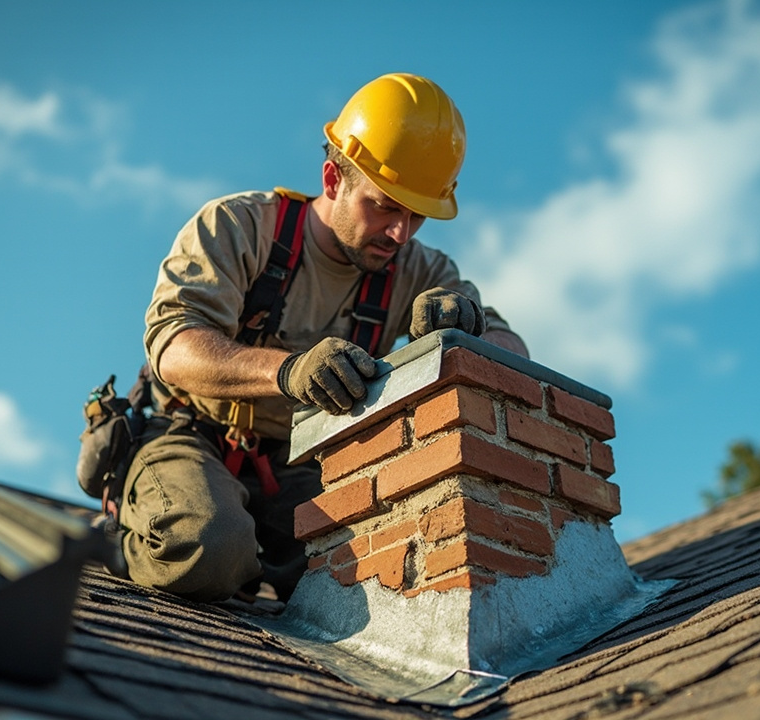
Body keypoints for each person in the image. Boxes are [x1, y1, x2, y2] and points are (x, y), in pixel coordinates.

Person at [114, 72, 528, 603]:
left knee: (374, 581)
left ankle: (261, 562)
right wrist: (286, 371)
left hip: (296, 465)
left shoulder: (419, 269)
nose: (401, 233)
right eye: (385, 205)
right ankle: (122, 542)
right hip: (191, 432)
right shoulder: (240, 227)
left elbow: (513, 349)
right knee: (207, 549)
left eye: (417, 214)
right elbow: (174, 348)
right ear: (333, 179)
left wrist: (469, 331)